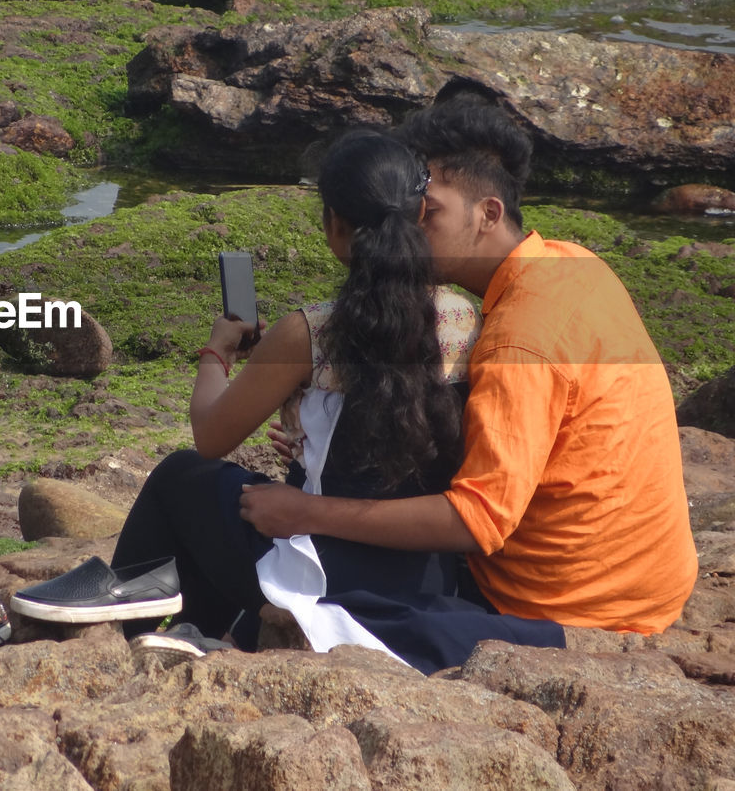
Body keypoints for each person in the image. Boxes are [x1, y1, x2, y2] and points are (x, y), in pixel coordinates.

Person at [49, 128, 564, 671]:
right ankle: (199, 631)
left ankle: (122, 626)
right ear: (418, 216)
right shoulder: (472, 318)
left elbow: (211, 435)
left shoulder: (310, 332)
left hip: (325, 570)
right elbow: (400, 419)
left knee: (182, 477)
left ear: (335, 227)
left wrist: (217, 353)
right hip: (425, 571)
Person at [239, 92, 698, 635]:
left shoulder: (519, 339)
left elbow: (476, 519)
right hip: (651, 582)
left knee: (287, 546)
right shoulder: (575, 265)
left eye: (426, 213)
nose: (406, 229)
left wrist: (304, 512)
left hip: (565, 605)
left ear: (489, 214)